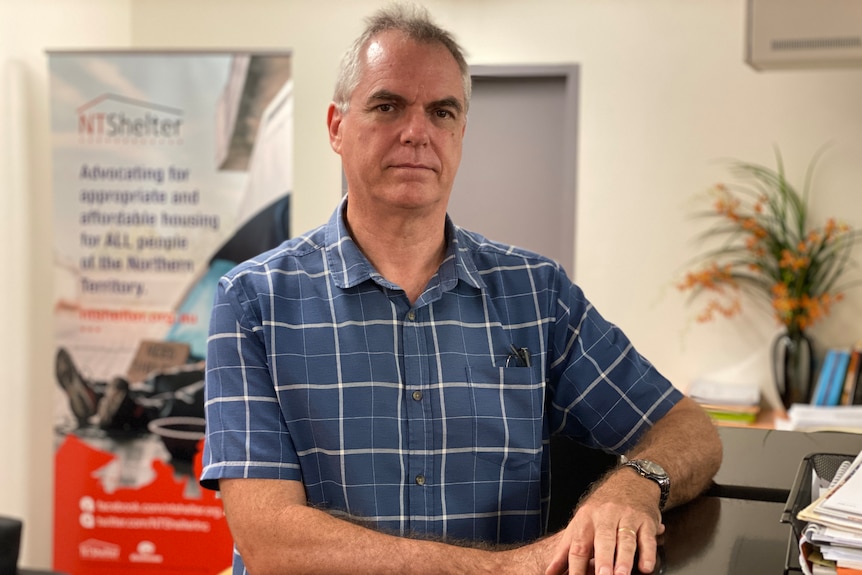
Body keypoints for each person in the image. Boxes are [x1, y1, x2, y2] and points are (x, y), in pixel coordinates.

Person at [200, 4, 723, 575]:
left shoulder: (536, 295)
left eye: (442, 112)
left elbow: (688, 429)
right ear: (336, 127)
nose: (417, 132)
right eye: (387, 105)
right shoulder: (253, 301)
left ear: (461, 134)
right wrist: (505, 569)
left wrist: (632, 487)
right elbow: (272, 542)